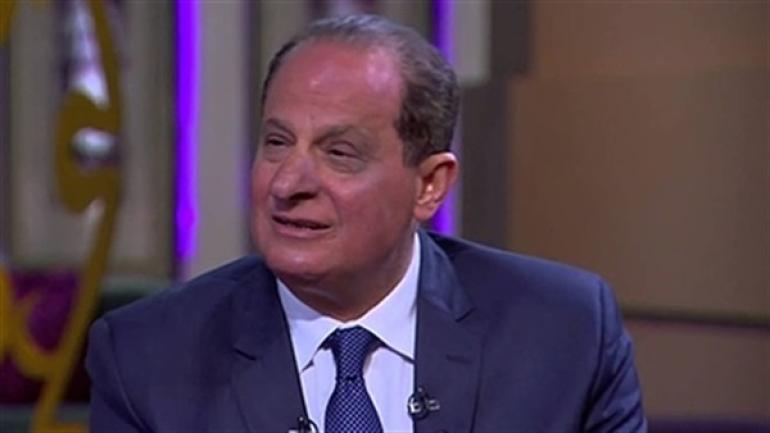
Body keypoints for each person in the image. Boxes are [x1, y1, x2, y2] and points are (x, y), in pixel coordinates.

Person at [86, 14, 646, 433]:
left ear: (429, 185)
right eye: (277, 142)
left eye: (340, 153)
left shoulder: (565, 333)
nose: (287, 183)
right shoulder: (148, 357)